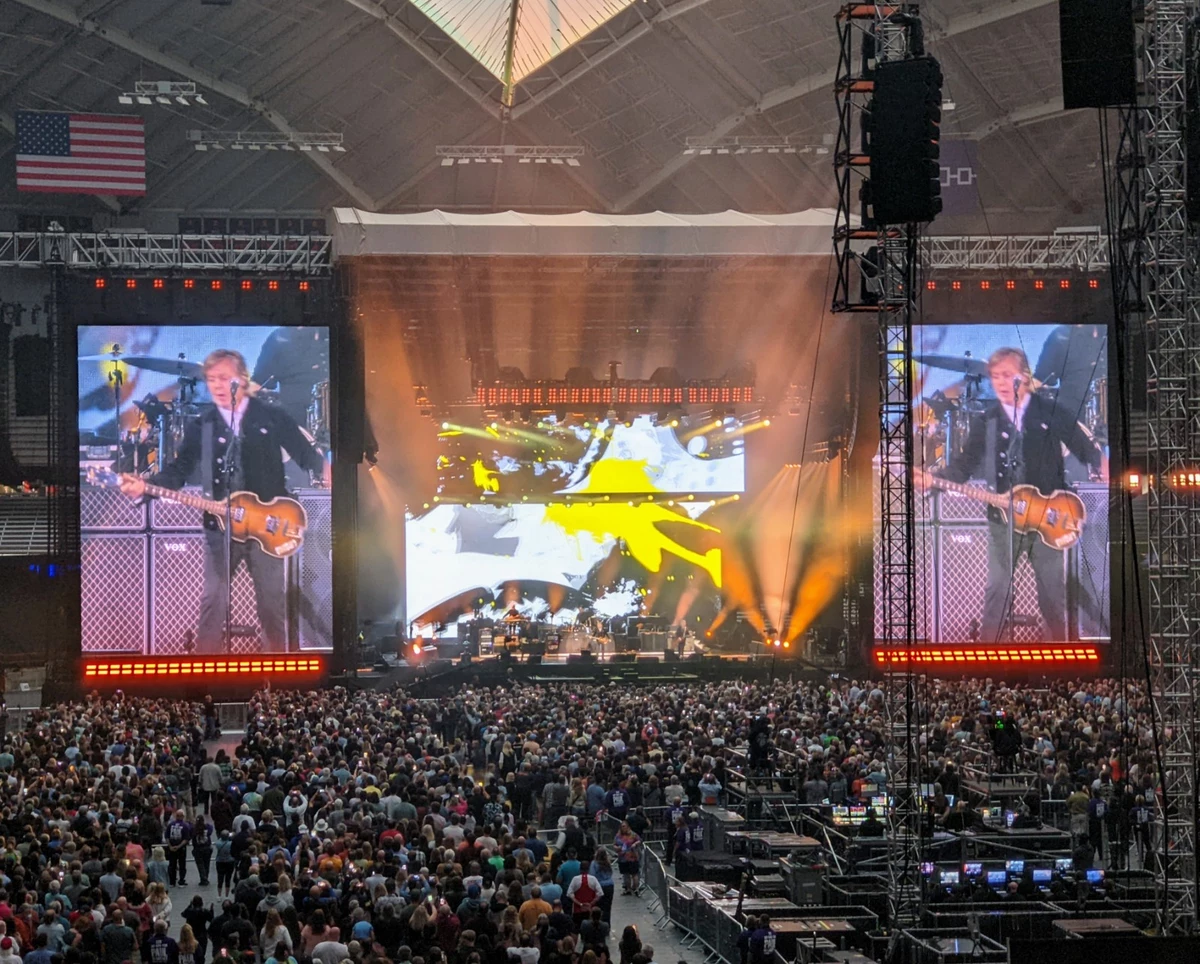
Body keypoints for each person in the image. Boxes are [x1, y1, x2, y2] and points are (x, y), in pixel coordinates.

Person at [118, 349, 327, 653]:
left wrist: (334, 472)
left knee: (271, 603)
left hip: (266, 529)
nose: (217, 385)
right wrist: (146, 487)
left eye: (224, 378)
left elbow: (306, 454)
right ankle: (206, 676)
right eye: (212, 379)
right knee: (213, 601)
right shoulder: (202, 425)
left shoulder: (272, 416)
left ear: (242, 380)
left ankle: (280, 676)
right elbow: (178, 471)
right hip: (220, 528)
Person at [918, 347, 1105, 642]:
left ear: (1025, 377)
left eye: (1007, 375)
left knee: (1052, 594)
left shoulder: (1049, 411)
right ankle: (987, 658)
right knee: (998, 588)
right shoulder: (988, 420)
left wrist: (1104, 464)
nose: (1001, 382)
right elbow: (964, 465)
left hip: (1048, 518)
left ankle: (1060, 656)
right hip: (1003, 518)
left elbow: (1084, 446)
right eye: (995, 377)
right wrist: (933, 479)